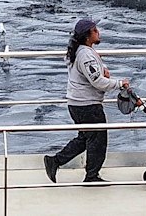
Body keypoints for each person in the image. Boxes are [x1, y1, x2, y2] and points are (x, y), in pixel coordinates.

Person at [43, 18, 130, 183]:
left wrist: (102, 72)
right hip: (87, 105)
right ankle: (91, 175)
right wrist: (119, 84)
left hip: (77, 103)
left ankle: (55, 161)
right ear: (87, 36)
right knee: (98, 141)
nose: (99, 32)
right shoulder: (85, 55)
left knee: (86, 137)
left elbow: (90, 74)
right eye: (95, 30)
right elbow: (97, 81)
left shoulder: (79, 52)